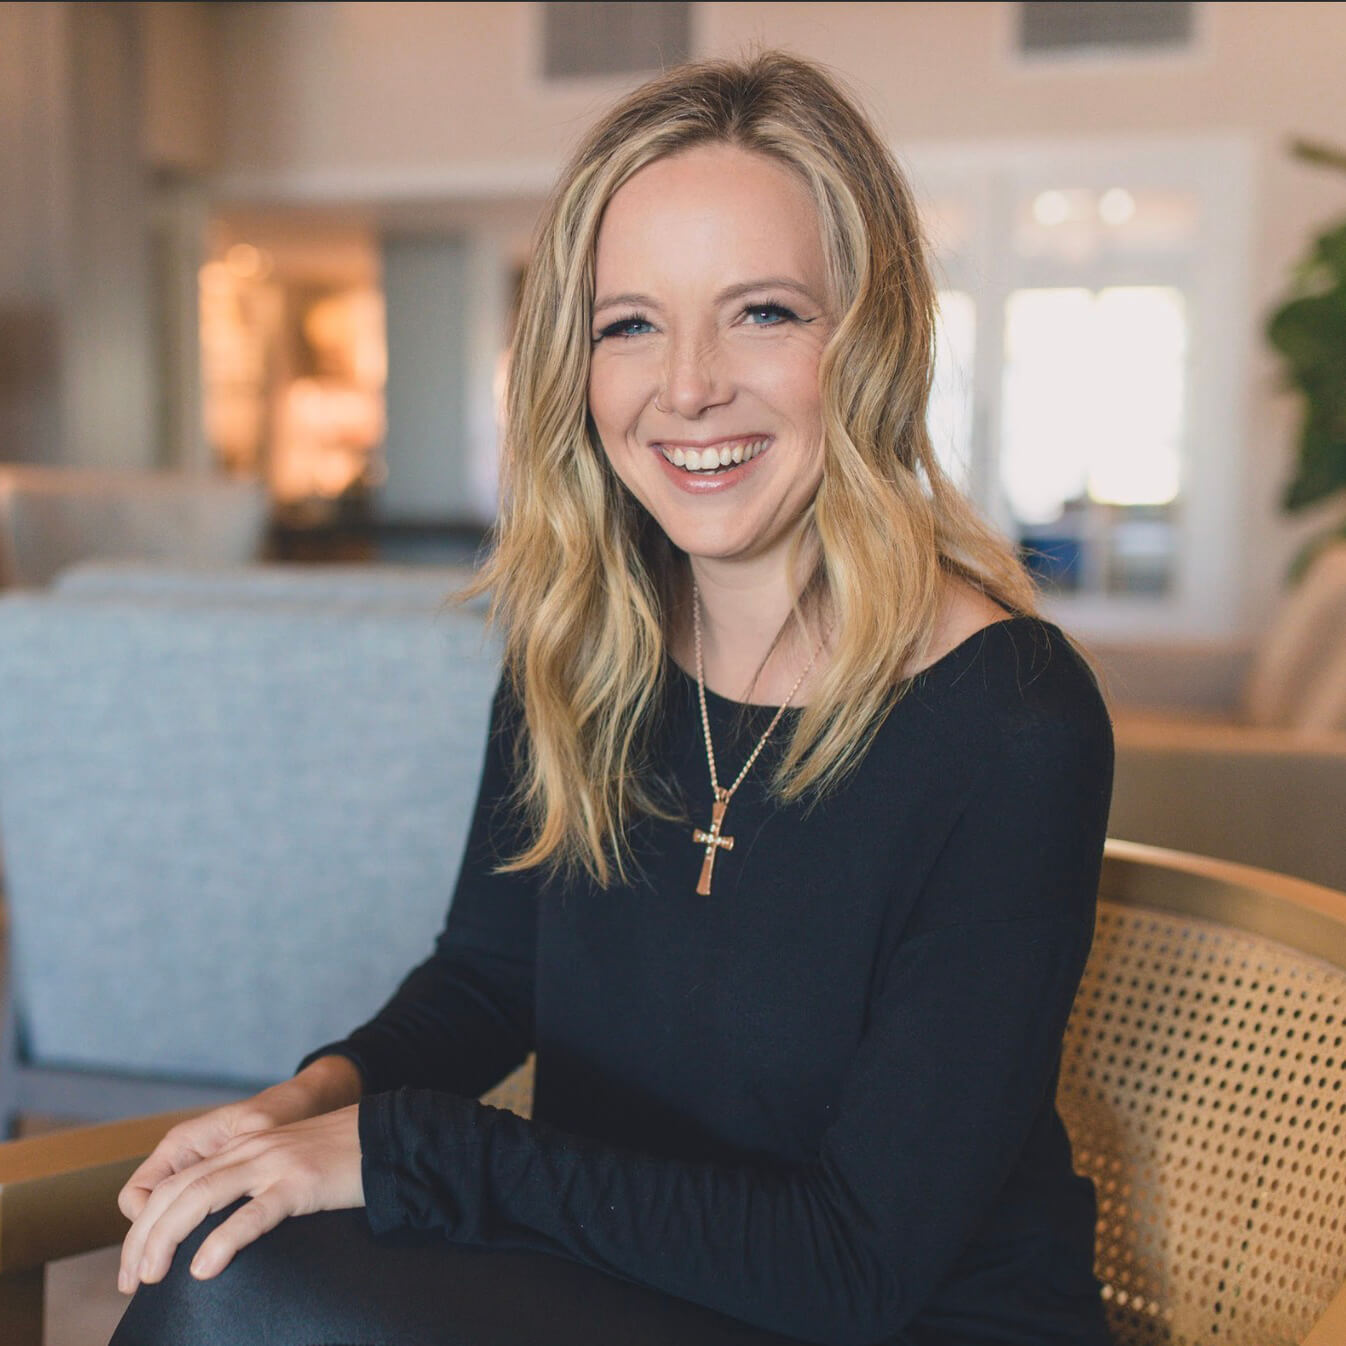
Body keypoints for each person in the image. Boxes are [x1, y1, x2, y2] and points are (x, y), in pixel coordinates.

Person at [111, 51, 1114, 1346]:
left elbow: (854, 1264)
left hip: (889, 1320)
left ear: (870, 336)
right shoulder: (585, 646)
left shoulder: (1013, 720)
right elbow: (488, 977)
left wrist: (404, 1149)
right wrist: (307, 1104)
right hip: (637, 1284)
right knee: (224, 1250)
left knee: (236, 1289)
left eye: (762, 312)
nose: (685, 386)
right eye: (628, 323)